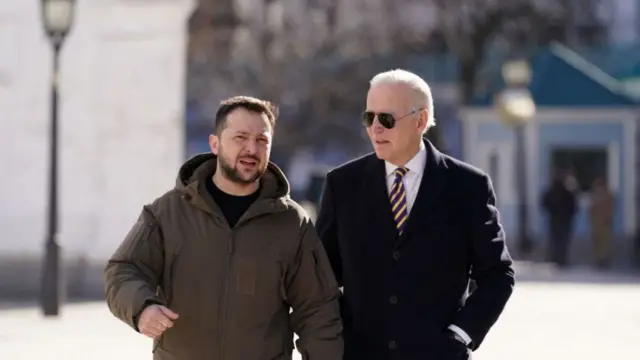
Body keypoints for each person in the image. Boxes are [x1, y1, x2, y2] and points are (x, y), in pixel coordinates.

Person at [104, 96, 343, 360]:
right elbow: (123, 270)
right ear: (215, 144)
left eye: (262, 140)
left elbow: (318, 310)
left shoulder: (291, 223)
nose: (251, 148)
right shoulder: (167, 213)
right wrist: (142, 307)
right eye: (240, 137)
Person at [316, 69, 515, 360]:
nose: (375, 129)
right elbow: (321, 280)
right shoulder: (342, 185)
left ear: (421, 120)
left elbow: (498, 275)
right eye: (369, 118)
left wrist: (460, 335)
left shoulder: (468, 186)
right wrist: (336, 339)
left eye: (386, 119)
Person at [541, 168, 577, 267]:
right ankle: (561, 260)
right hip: (564, 220)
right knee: (562, 241)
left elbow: (544, 203)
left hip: (555, 219)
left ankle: (556, 259)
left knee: (555, 240)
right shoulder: (567, 192)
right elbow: (573, 207)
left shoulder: (552, 191)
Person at [589, 177, 614, 269]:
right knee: (599, 242)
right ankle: (601, 260)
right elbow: (591, 210)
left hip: (603, 222)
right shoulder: (596, 196)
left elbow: (609, 209)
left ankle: (602, 260)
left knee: (602, 242)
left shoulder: (605, 196)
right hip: (599, 222)